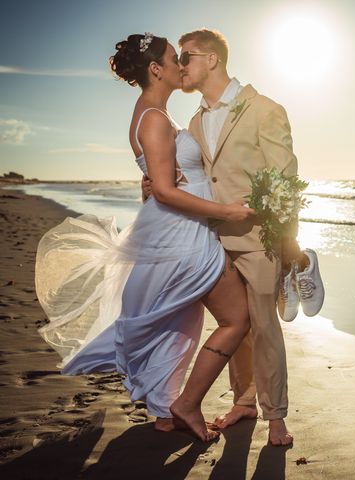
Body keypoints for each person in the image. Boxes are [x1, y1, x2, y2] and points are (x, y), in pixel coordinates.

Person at [35, 33, 254, 442]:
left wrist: (159, 182)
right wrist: (229, 211)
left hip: (177, 228)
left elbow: (162, 177)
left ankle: (164, 410)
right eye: (175, 58)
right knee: (236, 319)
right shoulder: (153, 117)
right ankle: (186, 403)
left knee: (177, 319)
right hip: (183, 234)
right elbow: (168, 191)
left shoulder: (154, 114)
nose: (181, 64)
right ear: (156, 69)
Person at [143, 28, 324, 446]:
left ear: (210, 59)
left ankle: (275, 417)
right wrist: (157, 185)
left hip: (259, 236)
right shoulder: (194, 120)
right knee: (236, 325)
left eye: (185, 58)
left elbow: (285, 181)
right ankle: (243, 402)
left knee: (263, 326)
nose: (180, 67)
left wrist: (286, 240)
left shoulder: (263, 109)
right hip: (212, 237)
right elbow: (197, 176)